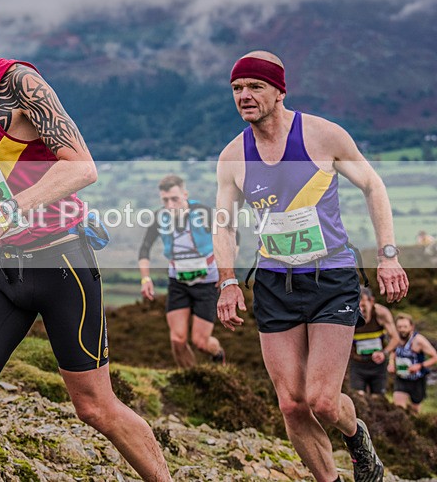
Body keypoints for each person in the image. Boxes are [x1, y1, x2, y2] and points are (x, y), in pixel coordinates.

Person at [0, 0, 171, 482]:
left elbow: (82, 167)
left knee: (95, 407)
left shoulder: (19, 84)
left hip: (61, 263)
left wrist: (3, 215)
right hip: (3, 266)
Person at [213, 50, 409, 482]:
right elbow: (223, 223)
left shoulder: (324, 136)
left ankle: (357, 439)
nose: (244, 96)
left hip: (332, 278)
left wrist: (389, 254)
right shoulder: (233, 156)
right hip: (272, 283)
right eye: (237, 89)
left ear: (279, 91)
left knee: (322, 400)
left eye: (254, 87)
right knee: (291, 403)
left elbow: (373, 186)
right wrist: (226, 282)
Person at [138, 174, 227, 367]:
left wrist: (227, 274)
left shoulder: (203, 213)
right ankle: (192, 380)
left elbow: (231, 239)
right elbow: (144, 249)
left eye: (175, 199)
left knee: (201, 342)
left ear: (185, 194)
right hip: (178, 283)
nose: (170, 205)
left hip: (208, 283)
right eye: (165, 200)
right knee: (177, 341)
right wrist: (146, 279)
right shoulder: (159, 218)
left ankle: (218, 355)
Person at [349, 287, 399, 396]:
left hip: (377, 364)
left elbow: (395, 338)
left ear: (371, 301)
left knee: (377, 397)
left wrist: (384, 353)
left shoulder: (381, 313)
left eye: (363, 306)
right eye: (357, 306)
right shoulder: (349, 314)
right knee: (359, 396)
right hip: (357, 364)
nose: (361, 310)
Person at [388, 313, 437, 413]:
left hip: (417, 380)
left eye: (405, 327)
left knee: (415, 411)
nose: (402, 329)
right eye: (399, 327)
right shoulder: (395, 339)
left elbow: (435, 357)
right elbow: (393, 352)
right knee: (399, 409)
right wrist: (391, 363)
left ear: (411, 327)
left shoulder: (418, 340)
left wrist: (419, 366)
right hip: (401, 378)